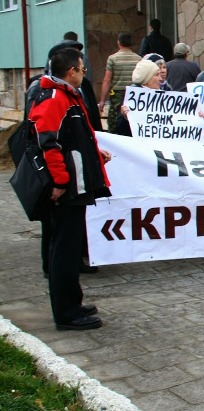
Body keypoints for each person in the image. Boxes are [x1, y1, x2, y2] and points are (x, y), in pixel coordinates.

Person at [28, 47, 113, 330]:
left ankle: (73, 302)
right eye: (82, 69)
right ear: (70, 71)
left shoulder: (68, 96)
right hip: (67, 190)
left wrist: (95, 154)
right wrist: (61, 182)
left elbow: (75, 138)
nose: (83, 73)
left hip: (76, 185)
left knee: (71, 248)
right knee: (64, 251)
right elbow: (47, 143)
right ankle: (66, 313)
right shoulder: (54, 98)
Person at [99, 33, 142, 131]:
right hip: (133, 94)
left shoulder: (113, 58)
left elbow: (107, 80)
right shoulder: (138, 59)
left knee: (114, 123)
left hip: (117, 95)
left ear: (119, 43)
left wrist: (102, 101)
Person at [112, 60, 162, 136]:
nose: (160, 78)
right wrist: (125, 117)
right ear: (146, 78)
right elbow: (120, 129)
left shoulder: (161, 94)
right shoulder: (133, 96)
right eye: (156, 75)